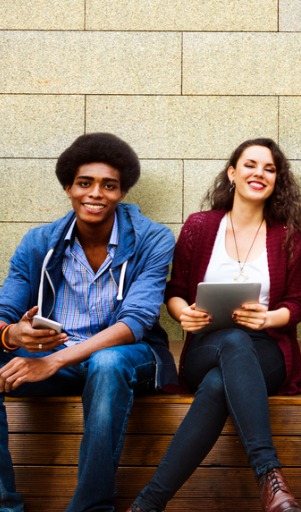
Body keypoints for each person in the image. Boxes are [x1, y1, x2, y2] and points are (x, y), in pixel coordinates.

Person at [129, 139, 301, 512]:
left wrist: (268, 317)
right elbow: (176, 291)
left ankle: (147, 504)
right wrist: (183, 313)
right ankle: (270, 476)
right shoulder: (200, 226)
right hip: (206, 347)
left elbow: (298, 304)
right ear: (232, 173)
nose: (259, 173)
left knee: (217, 385)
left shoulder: (288, 234)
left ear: (278, 180)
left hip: (266, 349)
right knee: (228, 343)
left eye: (269, 168)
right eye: (250, 165)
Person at [0, 133, 177, 511]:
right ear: (68, 187)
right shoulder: (39, 242)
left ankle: (91, 507)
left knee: (107, 362)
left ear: (122, 193)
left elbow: (137, 321)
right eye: (85, 183)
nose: (96, 193)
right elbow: (4, 313)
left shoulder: (154, 239)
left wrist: (55, 360)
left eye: (108, 185)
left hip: (129, 357)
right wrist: (14, 334)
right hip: (56, 358)